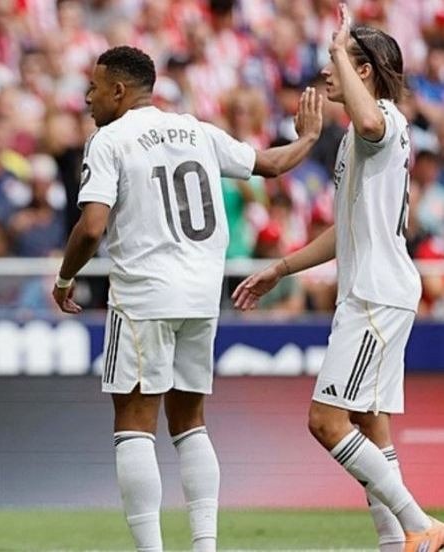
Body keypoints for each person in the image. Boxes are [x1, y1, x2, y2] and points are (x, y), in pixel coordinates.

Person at [52, 45, 323, 552]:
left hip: (143, 295)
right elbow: (269, 164)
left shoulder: (109, 140)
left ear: (118, 90)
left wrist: (66, 278)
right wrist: (308, 137)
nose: (87, 98)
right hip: (201, 297)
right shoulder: (197, 130)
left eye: (93, 87)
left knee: (134, 426)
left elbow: (91, 227)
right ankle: (204, 545)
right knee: (191, 424)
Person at [233, 6, 444, 552]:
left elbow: (372, 121)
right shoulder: (356, 138)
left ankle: (421, 523)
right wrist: (281, 267)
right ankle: (398, 544)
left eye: (339, 61)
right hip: (375, 290)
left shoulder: (381, 122)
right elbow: (345, 229)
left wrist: (341, 45)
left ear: (364, 71)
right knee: (371, 422)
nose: (327, 70)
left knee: (326, 421)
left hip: (375, 294)